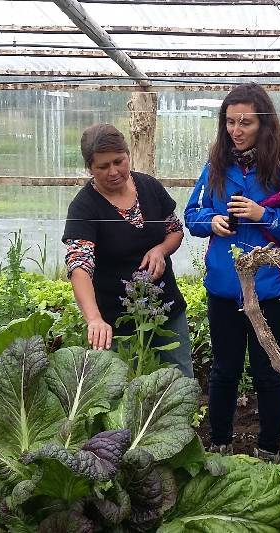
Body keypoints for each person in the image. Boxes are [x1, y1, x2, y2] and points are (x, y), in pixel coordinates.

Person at [184, 83, 280, 463]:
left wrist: (268, 217)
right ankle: (220, 444)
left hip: (271, 288)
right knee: (224, 370)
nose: (236, 130)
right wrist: (211, 221)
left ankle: (267, 450)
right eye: (230, 122)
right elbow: (191, 215)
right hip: (225, 287)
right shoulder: (216, 165)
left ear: (264, 123)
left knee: (267, 370)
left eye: (245, 122)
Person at [62, 123, 193, 378]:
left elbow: (175, 230)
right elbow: (79, 266)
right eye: (103, 166)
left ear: (127, 155)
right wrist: (94, 320)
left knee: (179, 382)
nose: (113, 171)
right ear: (90, 168)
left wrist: (161, 250)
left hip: (165, 310)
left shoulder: (149, 187)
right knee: (124, 390)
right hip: (117, 319)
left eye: (119, 161)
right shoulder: (84, 208)